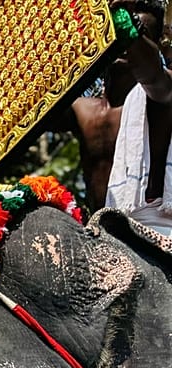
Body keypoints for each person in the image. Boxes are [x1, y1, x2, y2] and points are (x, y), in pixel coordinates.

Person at [69, 2, 172, 231]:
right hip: (97, 234)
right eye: (113, 33)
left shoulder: (163, 94)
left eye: (140, 33)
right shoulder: (82, 109)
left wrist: (123, 21)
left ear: (155, 47)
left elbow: (153, 76)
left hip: (154, 236)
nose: (124, 46)